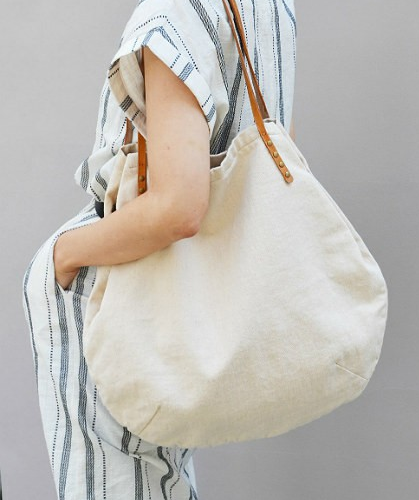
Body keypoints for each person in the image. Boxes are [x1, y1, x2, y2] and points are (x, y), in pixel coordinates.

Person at [21, 0, 297, 498]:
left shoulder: (174, 12)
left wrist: (63, 255)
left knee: (119, 479)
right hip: (195, 283)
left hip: (126, 284)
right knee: (162, 476)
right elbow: (274, 149)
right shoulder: (272, 8)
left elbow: (178, 207)